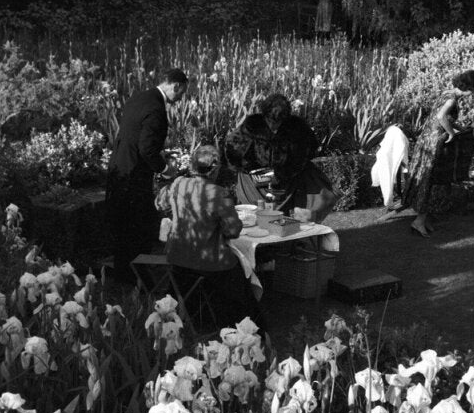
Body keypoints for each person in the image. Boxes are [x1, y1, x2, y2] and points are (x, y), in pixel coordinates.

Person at [155, 145, 266, 331]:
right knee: (238, 272)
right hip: (208, 262)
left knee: (227, 268)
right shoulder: (218, 193)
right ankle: (249, 326)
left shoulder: (178, 184)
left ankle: (204, 314)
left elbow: (159, 203)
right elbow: (233, 230)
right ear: (215, 169)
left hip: (178, 258)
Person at [105, 68, 188, 282]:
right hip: (133, 175)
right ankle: (137, 278)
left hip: (119, 168)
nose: (180, 99)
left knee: (121, 227)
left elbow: (134, 135)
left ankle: (124, 274)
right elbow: (146, 149)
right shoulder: (156, 109)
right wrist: (165, 169)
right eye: (181, 93)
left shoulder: (140, 97)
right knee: (135, 227)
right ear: (175, 85)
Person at [224, 93, 336, 223]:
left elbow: (310, 149)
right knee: (257, 214)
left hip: (287, 182)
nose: (273, 126)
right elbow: (231, 148)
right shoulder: (252, 125)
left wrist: (287, 171)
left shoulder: (297, 127)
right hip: (254, 183)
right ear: (265, 115)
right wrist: (248, 167)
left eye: (278, 122)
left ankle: (290, 238)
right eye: (270, 121)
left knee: (290, 215)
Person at [402, 69, 474, 238]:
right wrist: (451, 133)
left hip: (427, 139)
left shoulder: (447, 93)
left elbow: (446, 119)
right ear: (470, 87)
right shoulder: (452, 100)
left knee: (428, 179)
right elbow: (440, 117)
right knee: (429, 180)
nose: (473, 93)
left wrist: (459, 128)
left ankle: (423, 219)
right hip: (434, 142)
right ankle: (419, 222)